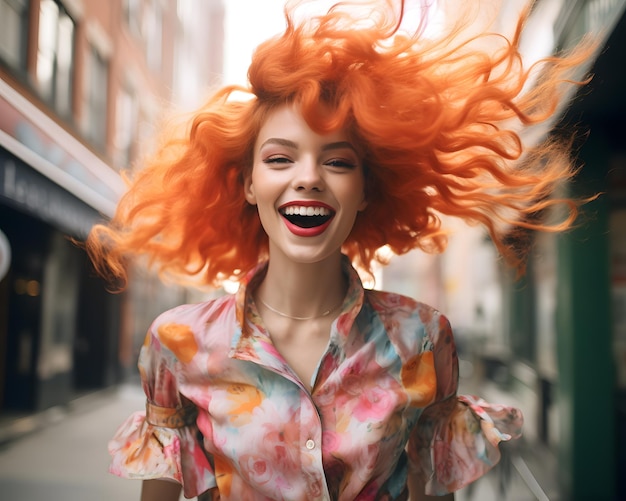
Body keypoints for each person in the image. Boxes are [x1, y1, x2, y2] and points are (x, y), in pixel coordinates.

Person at [86, 0, 594, 499]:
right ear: (247, 184)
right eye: (280, 158)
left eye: (338, 162)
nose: (307, 178)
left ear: (367, 190)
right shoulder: (177, 344)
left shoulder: (422, 339)